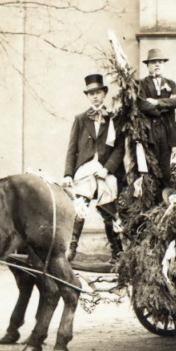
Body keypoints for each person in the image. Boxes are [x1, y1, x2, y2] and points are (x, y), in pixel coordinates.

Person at [63, 74, 124, 261]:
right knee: (80, 209)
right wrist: (68, 174)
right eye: (91, 94)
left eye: (98, 92)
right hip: (85, 169)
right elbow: (72, 148)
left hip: (105, 170)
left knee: (109, 210)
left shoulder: (114, 118)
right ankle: (71, 250)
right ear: (87, 96)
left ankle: (117, 252)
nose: (95, 96)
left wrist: (108, 168)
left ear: (104, 94)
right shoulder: (81, 119)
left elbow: (120, 148)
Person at [138, 48, 176, 195]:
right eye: (154, 62)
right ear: (148, 66)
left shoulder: (171, 83)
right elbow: (143, 105)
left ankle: (164, 200)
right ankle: (151, 202)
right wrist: (163, 108)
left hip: (167, 131)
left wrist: (156, 103)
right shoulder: (141, 84)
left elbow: (175, 101)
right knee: (151, 167)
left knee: (165, 170)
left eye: (160, 62)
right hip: (150, 131)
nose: (157, 64)